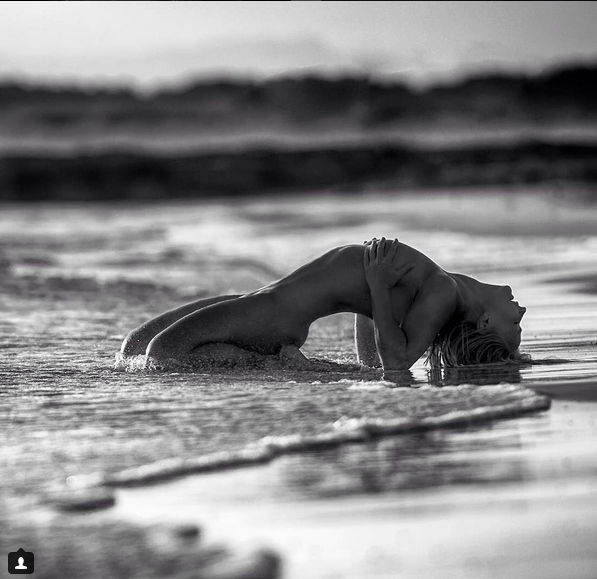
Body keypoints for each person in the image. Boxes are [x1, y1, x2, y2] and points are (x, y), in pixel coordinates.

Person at [121, 238, 526, 372]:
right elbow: (376, 344)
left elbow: (398, 361)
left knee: (162, 355)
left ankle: (268, 363)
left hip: (274, 315)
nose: (522, 313)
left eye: (516, 327)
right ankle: (276, 360)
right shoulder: (442, 288)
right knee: (133, 348)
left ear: (485, 322)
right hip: (267, 301)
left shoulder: (443, 291)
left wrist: (378, 285)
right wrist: (374, 299)